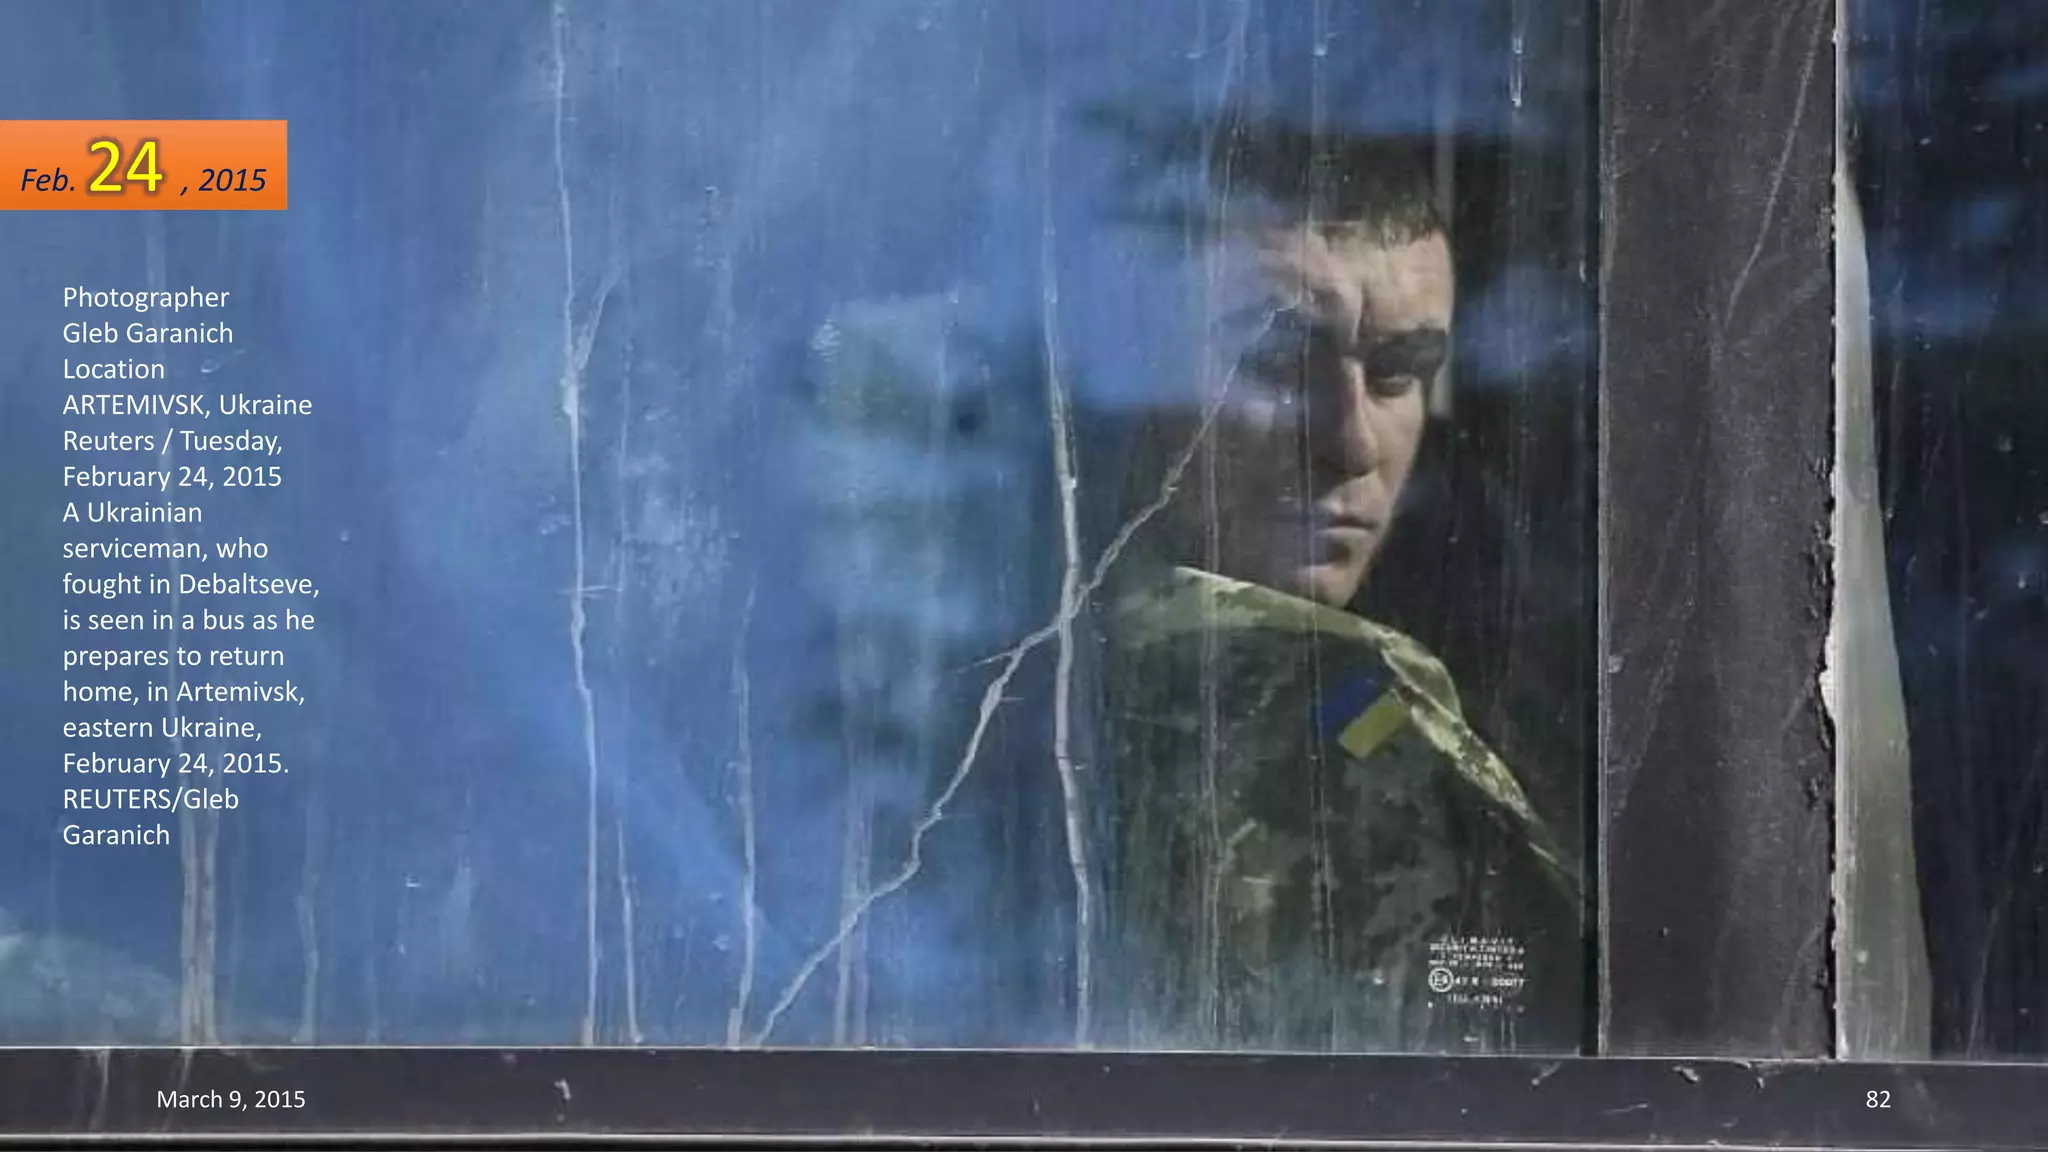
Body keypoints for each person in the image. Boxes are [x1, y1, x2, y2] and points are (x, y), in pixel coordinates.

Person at [1090, 113, 1581, 1053]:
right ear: (1126, 378)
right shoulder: (1336, 697)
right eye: (1276, 362)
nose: (1351, 441)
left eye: (1399, 373)